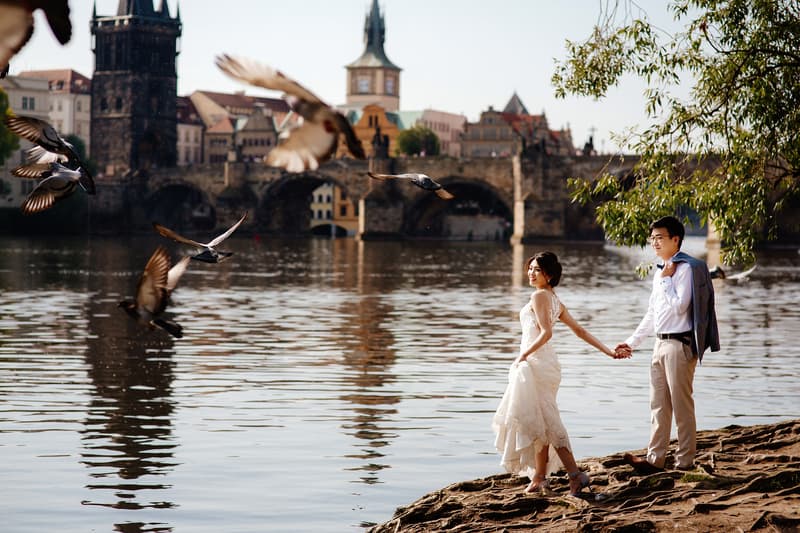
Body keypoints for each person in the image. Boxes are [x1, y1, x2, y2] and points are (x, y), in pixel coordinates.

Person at [492, 251, 626, 496]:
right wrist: (608, 351)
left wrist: (523, 355)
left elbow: (546, 333)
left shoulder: (540, 296)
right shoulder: (555, 300)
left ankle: (576, 475)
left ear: (550, 275)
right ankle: (539, 477)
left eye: (537, 270)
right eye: (530, 268)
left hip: (537, 364)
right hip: (546, 364)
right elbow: (580, 331)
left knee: (548, 421)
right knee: (540, 420)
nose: (531, 273)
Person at [615, 216, 720, 474]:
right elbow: (653, 314)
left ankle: (685, 462)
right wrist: (631, 343)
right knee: (658, 405)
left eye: (659, 238)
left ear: (676, 239)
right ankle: (655, 460)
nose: (654, 243)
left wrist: (665, 280)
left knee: (681, 406)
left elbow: (680, 306)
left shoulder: (688, 269)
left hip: (680, 345)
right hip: (659, 344)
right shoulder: (663, 270)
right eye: (652, 238)